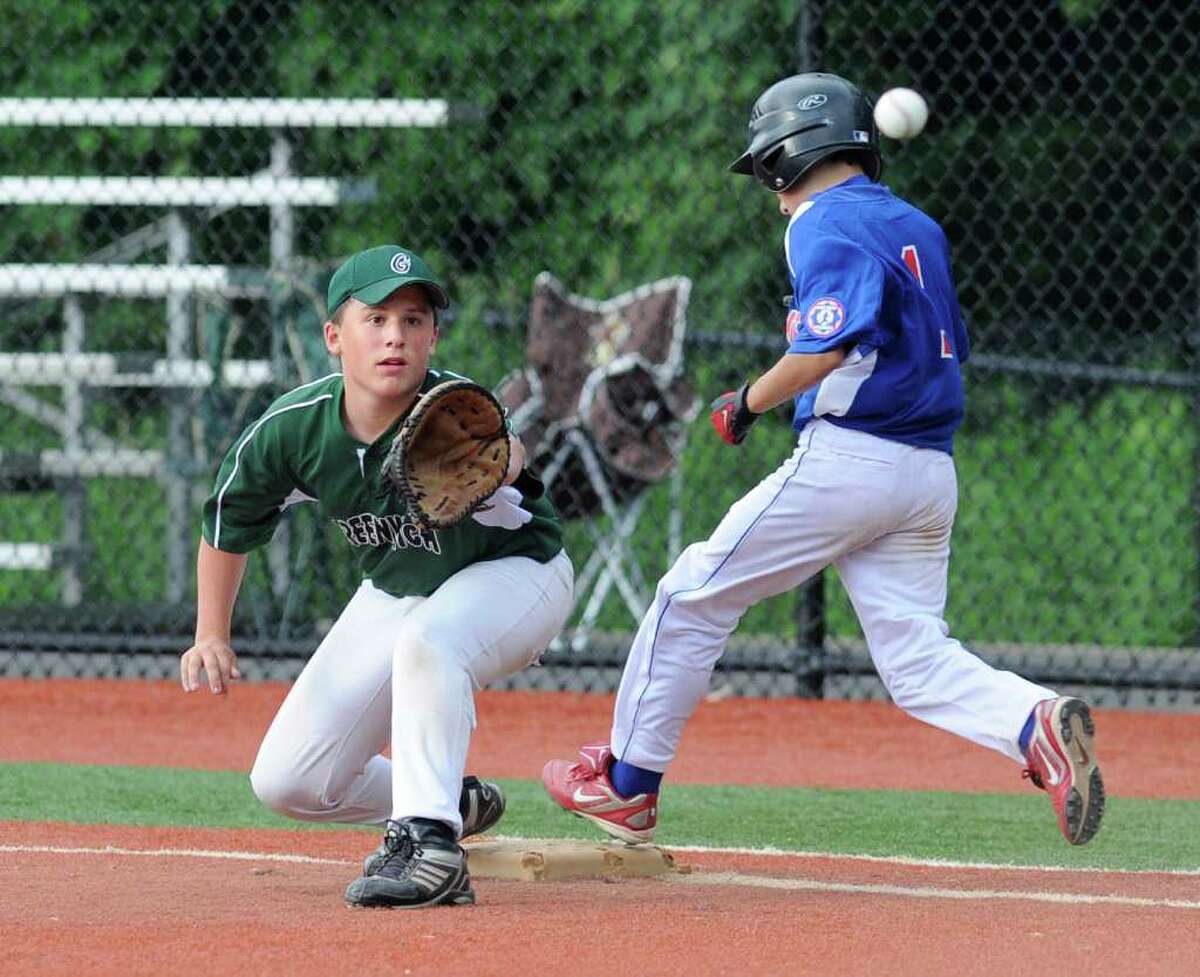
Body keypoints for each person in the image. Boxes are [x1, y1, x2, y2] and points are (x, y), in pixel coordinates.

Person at [542, 73, 1103, 848]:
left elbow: (826, 345)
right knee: (914, 658)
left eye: (765, 171)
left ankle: (626, 785)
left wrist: (746, 400)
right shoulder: (919, 226)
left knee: (691, 593)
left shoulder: (818, 219)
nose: (769, 192)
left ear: (785, 156)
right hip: (929, 474)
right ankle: (1031, 721)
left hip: (854, 462)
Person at [180, 244, 574, 908]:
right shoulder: (294, 430)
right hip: (403, 584)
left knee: (430, 640)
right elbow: (229, 517)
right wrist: (209, 631)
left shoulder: (451, 409)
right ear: (335, 336)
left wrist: (499, 462)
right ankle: (443, 794)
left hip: (519, 575)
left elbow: (511, 453)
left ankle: (430, 845)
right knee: (290, 778)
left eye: (414, 320)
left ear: (433, 337)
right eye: (377, 318)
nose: (397, 335)